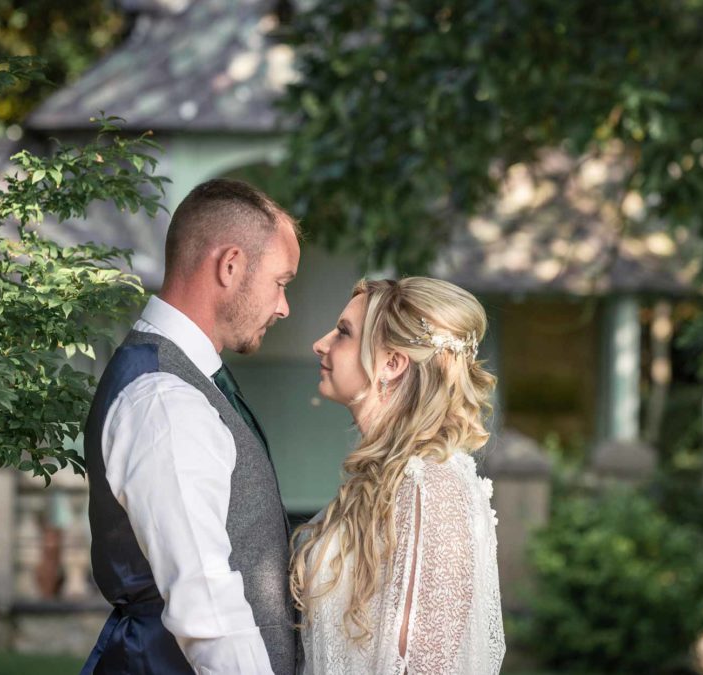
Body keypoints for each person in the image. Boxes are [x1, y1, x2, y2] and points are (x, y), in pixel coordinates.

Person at [80, 179, 301, 675]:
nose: (284, 306)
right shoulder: (165, 399)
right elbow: (207, 608)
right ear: (230, 266)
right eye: (281, 282)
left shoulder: (186, 380)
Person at [293, 277, 506, 674]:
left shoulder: (434, 486)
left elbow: (428, 663)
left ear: (391, 363)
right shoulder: (384, 479)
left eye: (343, 333)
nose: (321, 344)